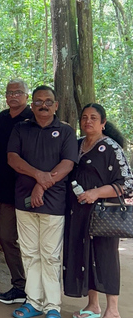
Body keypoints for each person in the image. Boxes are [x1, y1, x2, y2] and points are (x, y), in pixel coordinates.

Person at [7, 85, 77, 318]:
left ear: (56, 105)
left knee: (50, 255)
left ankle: (53, 306)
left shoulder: (66, 132)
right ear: (32, 105)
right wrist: (38, 176)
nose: (43, 105)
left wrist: (41, 185)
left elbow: (67, 164)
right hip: (24, 201)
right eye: (38, 101)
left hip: (54, 203)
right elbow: (13, 159)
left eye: (48, 101)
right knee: (29, 253)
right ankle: (34, 302)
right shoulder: (21, 128)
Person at [63, 103, 133, 318]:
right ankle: (93, 305)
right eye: (84, 117)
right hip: (78, 212)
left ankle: (112, 310)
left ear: (103, 123)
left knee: (105, 257)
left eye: (94, 117)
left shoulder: (111, 147)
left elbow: (128, 183)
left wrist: (96, 193)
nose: (88, 121)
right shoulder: (74, 145)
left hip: (103, 213)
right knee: (85, 256)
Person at [0, 79, 33, 305]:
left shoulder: (35, 118)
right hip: (6, 189)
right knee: (6, 238)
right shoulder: (3, 117)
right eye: (9, 93)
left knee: (32, 241)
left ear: (27, 95)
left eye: (18, 92)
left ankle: (38, 289)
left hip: (31, 190)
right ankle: (20, 286)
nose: (13, 96)